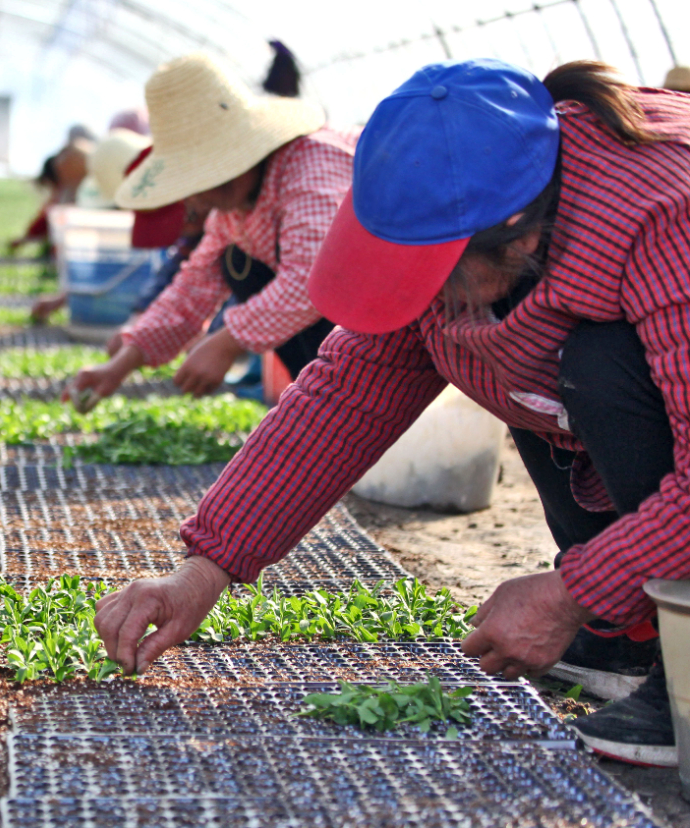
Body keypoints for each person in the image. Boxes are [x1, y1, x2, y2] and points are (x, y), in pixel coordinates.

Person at [94, 58, 690, 768]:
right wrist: (205, 567)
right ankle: (633, 632)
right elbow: (345, 395)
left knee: (598, 366)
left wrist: (571, 590)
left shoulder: (661, 210)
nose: (428, 300)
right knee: (506, 356)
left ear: (521, 237)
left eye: (437, 274)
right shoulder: (458, 196)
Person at [67, 53, 353, 402]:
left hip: (397, 318)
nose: (199, 198)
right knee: (235, 261)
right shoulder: (231, 209)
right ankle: (325, 397)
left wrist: (226, 342)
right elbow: (192, 287)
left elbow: (314, 278)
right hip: (344, 323)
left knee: (246, 266)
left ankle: (344, 398)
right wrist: (124, 361)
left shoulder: (309, 163)